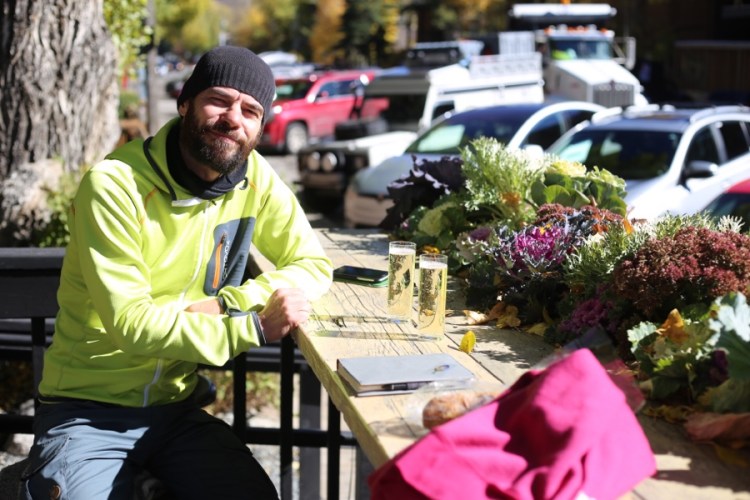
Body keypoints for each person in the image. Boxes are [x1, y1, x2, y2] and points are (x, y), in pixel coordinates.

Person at [23, 45, 333, 499]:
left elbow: (313, 265)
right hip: (87, 411)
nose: (233, 118)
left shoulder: (255, 178)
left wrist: (227, 305)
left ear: (260, 127)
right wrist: (250, 328)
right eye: (219, 100)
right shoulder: (114, 186)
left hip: (176, 411)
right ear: (185, 102)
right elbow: (131, 323)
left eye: (250, 111)